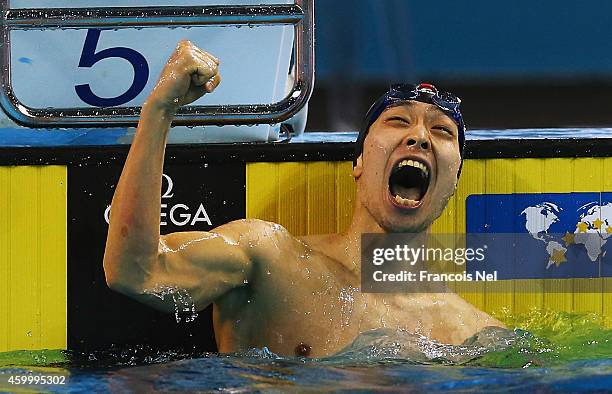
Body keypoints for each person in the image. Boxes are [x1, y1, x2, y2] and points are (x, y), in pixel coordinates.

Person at [103, 40, 503, 358]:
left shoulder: (471, 336)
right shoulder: (270, 260)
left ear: (454, 179)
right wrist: (159, 110)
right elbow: (135, 273)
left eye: (442, 131)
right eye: (398, 121)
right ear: (359, 163)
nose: (418, 136)